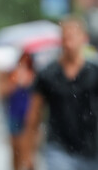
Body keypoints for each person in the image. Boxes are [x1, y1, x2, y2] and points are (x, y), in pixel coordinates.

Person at [21, 16, 98, 170]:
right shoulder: (48, 74)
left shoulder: (94, 71)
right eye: (65, 37)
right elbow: (34, 115)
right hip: (58, 148)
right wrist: (28, 153)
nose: (68, 42)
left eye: (73, 36)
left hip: (92, 149)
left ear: (83, 38)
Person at [1, 52, 35, 170]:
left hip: (28, 115)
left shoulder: (34, 75)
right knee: (15, 148)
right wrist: (16, 82)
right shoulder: (13, 74)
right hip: (14, 113)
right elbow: (4, 92)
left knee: (26, 149)